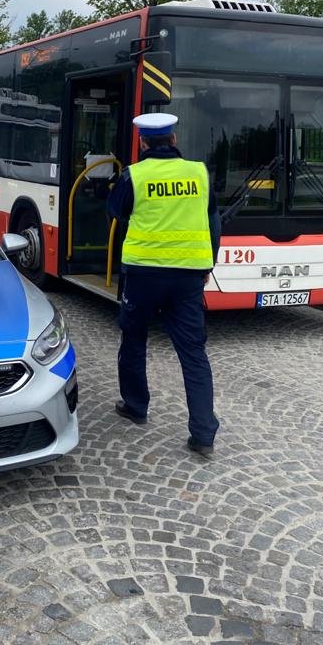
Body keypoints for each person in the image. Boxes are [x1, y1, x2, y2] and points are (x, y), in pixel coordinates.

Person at [108, 112, 221, 457]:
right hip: (188, 276)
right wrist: (208, 264)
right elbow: (213, 222)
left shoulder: (135, 175)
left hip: (143, 275)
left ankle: (136, 405)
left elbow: (116, 212)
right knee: (193, 352)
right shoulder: (199, 174)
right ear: (174, 140)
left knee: (134, 338)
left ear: (143, 143)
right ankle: (203, 433)